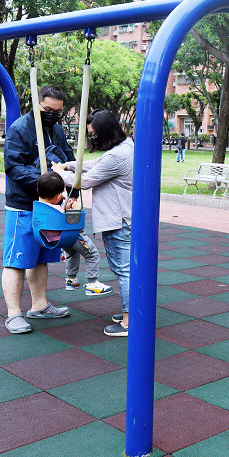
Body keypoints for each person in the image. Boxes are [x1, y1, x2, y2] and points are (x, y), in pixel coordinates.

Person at [53, 110, 133, 337]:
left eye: (94, 134)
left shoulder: (117, 156)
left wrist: (59, 174)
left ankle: (129, 322)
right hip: (123, 217)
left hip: (118, 220)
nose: (93, 138)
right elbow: (96, 163)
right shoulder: (125, 146)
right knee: (127, 270)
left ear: (105, 132)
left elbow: (86, 181)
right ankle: (134, 313)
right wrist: (68, 165)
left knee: (124, 271)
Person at [2, 86, 73, 334]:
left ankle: (39, 305)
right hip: (23, 204)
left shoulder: (56, 129)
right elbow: (13, 166)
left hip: (48, 204)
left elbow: (67, 159)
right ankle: (13, 314)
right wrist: (45, 183)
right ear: (37, 104)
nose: (54, 115)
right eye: (48, 110)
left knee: (42, 256)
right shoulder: (20, 129)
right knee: (17, 260)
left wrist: (70, 188)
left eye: (58, 112)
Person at [36, 171, 112, 296]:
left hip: (56, 240)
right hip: (71, 236)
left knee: (72, 253)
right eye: (61, 193)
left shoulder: (38, 208)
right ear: (57, 196)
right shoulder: (58, 211)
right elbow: (69, 220)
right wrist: (76, 210)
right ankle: (92, 283)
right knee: (92, 254)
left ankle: (71, 279)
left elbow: (57, 212)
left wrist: (64, 208)